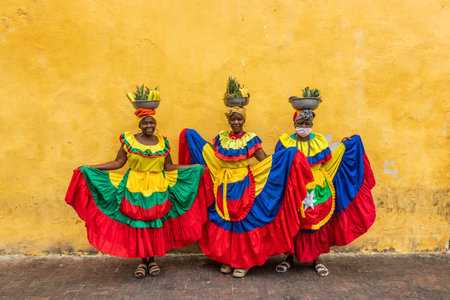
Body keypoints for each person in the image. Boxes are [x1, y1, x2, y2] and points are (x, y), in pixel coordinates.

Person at [65, 107, 210, 278]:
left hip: (158, 187)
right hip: (134, 187)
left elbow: (169, 167)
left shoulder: (162, 143)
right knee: (139, 224)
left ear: (155, 124)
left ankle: (153, 259)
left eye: (151, 122)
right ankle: (143, 261)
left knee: (153, 224)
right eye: (145, 122)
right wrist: (91, 168)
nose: (149, 125)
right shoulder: (129, 141)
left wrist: (194, 168)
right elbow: (118, 162)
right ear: (139, 125)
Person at [179, 106, 313, 278]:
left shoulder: (251, 139)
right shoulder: (220, 138)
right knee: (226, 222)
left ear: (244, 120)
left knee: (243, 222)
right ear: (229, 120)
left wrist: (284, 158)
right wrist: (193, 140)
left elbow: (265, 160)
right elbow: (213, 156)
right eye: (233, 119)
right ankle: (228, 259)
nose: (236, 122)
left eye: (239, 119)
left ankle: (243, 262)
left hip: (243, 185)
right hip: (222, 185)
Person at [274, 109, 376, 276]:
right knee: (295, 222)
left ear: (312, 125)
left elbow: (329, 163)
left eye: (307, 124)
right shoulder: (285, 142)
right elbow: (279, 164)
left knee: (317, 223)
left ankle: (317, 259)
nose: (304, 127)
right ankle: (289, 258)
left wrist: (345, 146)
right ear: (294, 124)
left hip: (318, 188)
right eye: (300, 124)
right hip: (294, 188)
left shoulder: (319, 141)